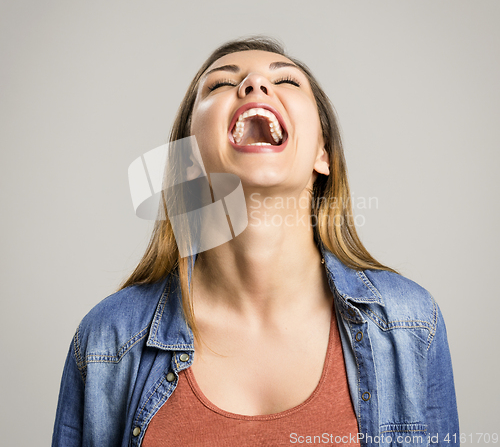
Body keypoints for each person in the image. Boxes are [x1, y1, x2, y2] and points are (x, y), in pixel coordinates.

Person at [52, 36, 460, 447]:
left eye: (285, 81)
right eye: (220, 85)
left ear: (323, 154)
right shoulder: (107, 340)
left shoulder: (411, 324)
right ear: (187, 161)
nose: (254, 84)